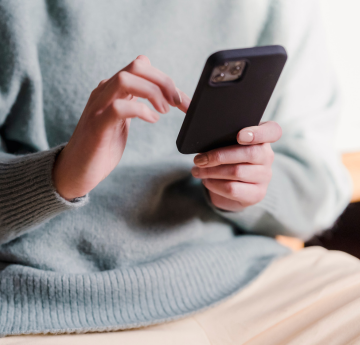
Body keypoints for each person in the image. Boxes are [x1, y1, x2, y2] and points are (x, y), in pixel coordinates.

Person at [0, 0, 356, 343]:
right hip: (49, 305)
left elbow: (321, 183)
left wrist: (253, 188)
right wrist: (60, 175)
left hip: (250, 283)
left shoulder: (275, 6)